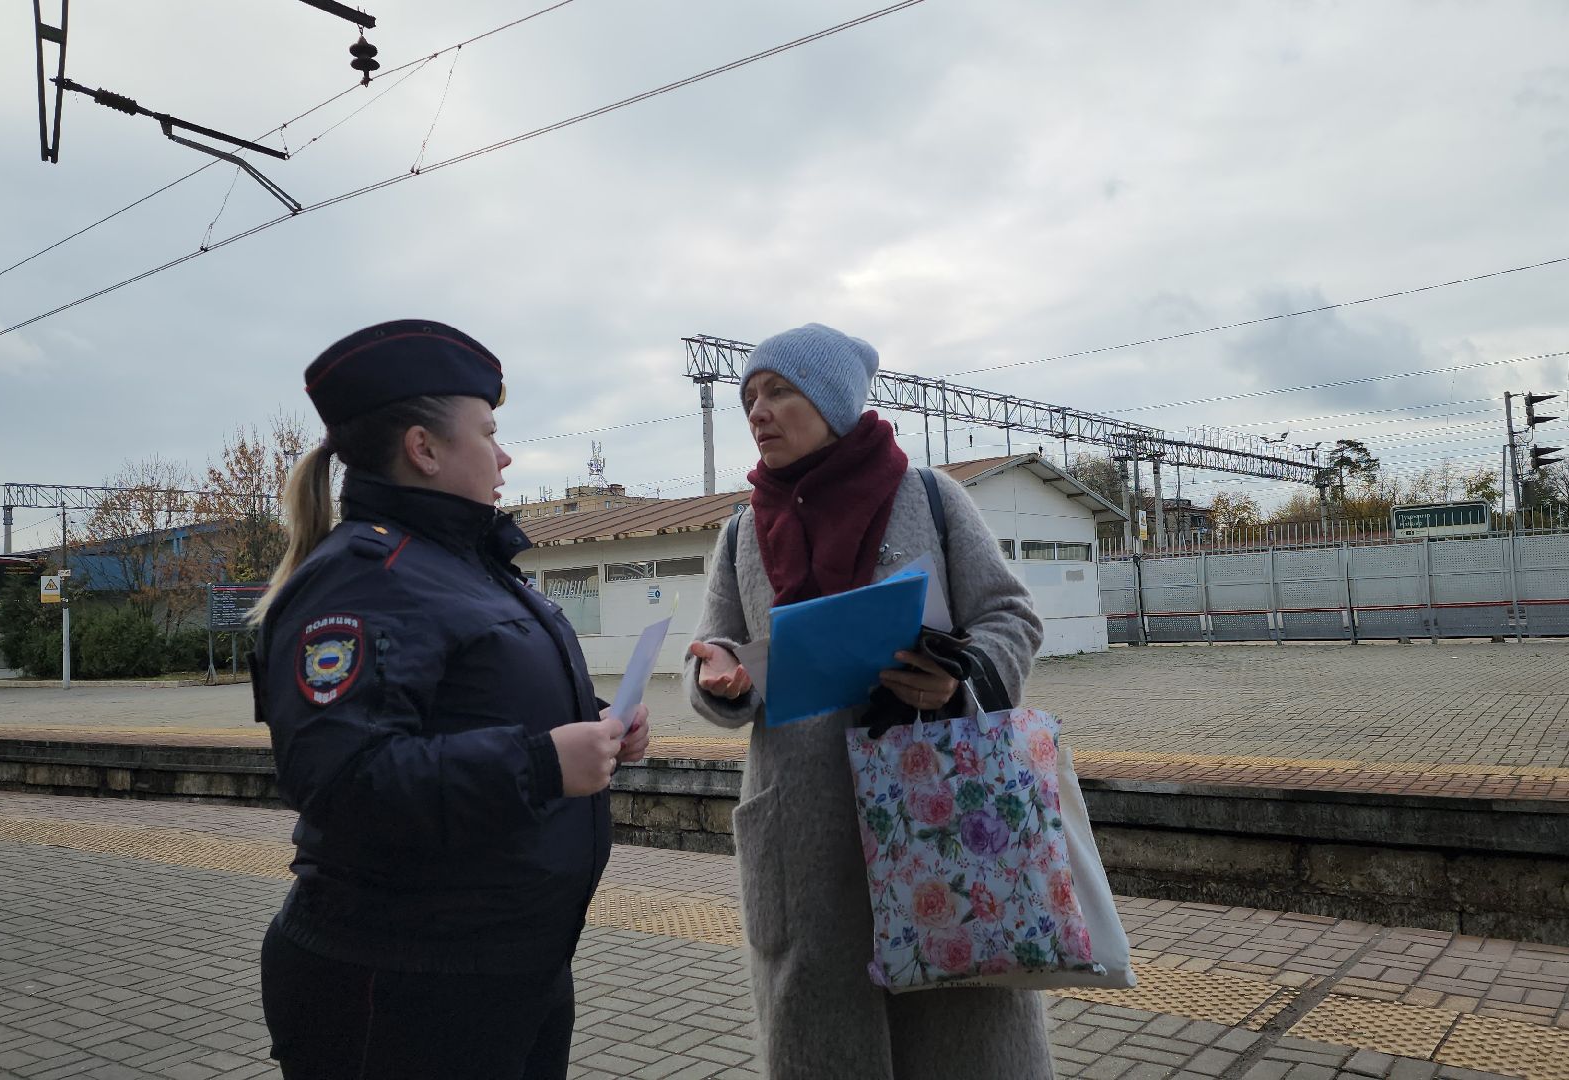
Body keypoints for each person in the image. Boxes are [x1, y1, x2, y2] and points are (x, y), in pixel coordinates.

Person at [249, 319, 649, 1080]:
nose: (504, 455)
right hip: (402, 983)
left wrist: (599, 728)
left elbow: (480, 707)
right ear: (423, 449)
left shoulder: (464, 563)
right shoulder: (364, 576)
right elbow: (340, 778)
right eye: (489, 433)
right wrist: (539, 763)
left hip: (506, 970)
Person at [684, 323, 1053, 1079]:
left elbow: (1010, 615)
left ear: (834, 400)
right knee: (823, 1038)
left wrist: (960, 678)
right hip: (802, 838)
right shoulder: (740, 534)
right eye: (749, 396)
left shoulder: (929, 497)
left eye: (780, 390)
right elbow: (713, 651)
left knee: (964, 1027)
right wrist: (719, 680)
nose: (757, 410)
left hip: (942, 811)